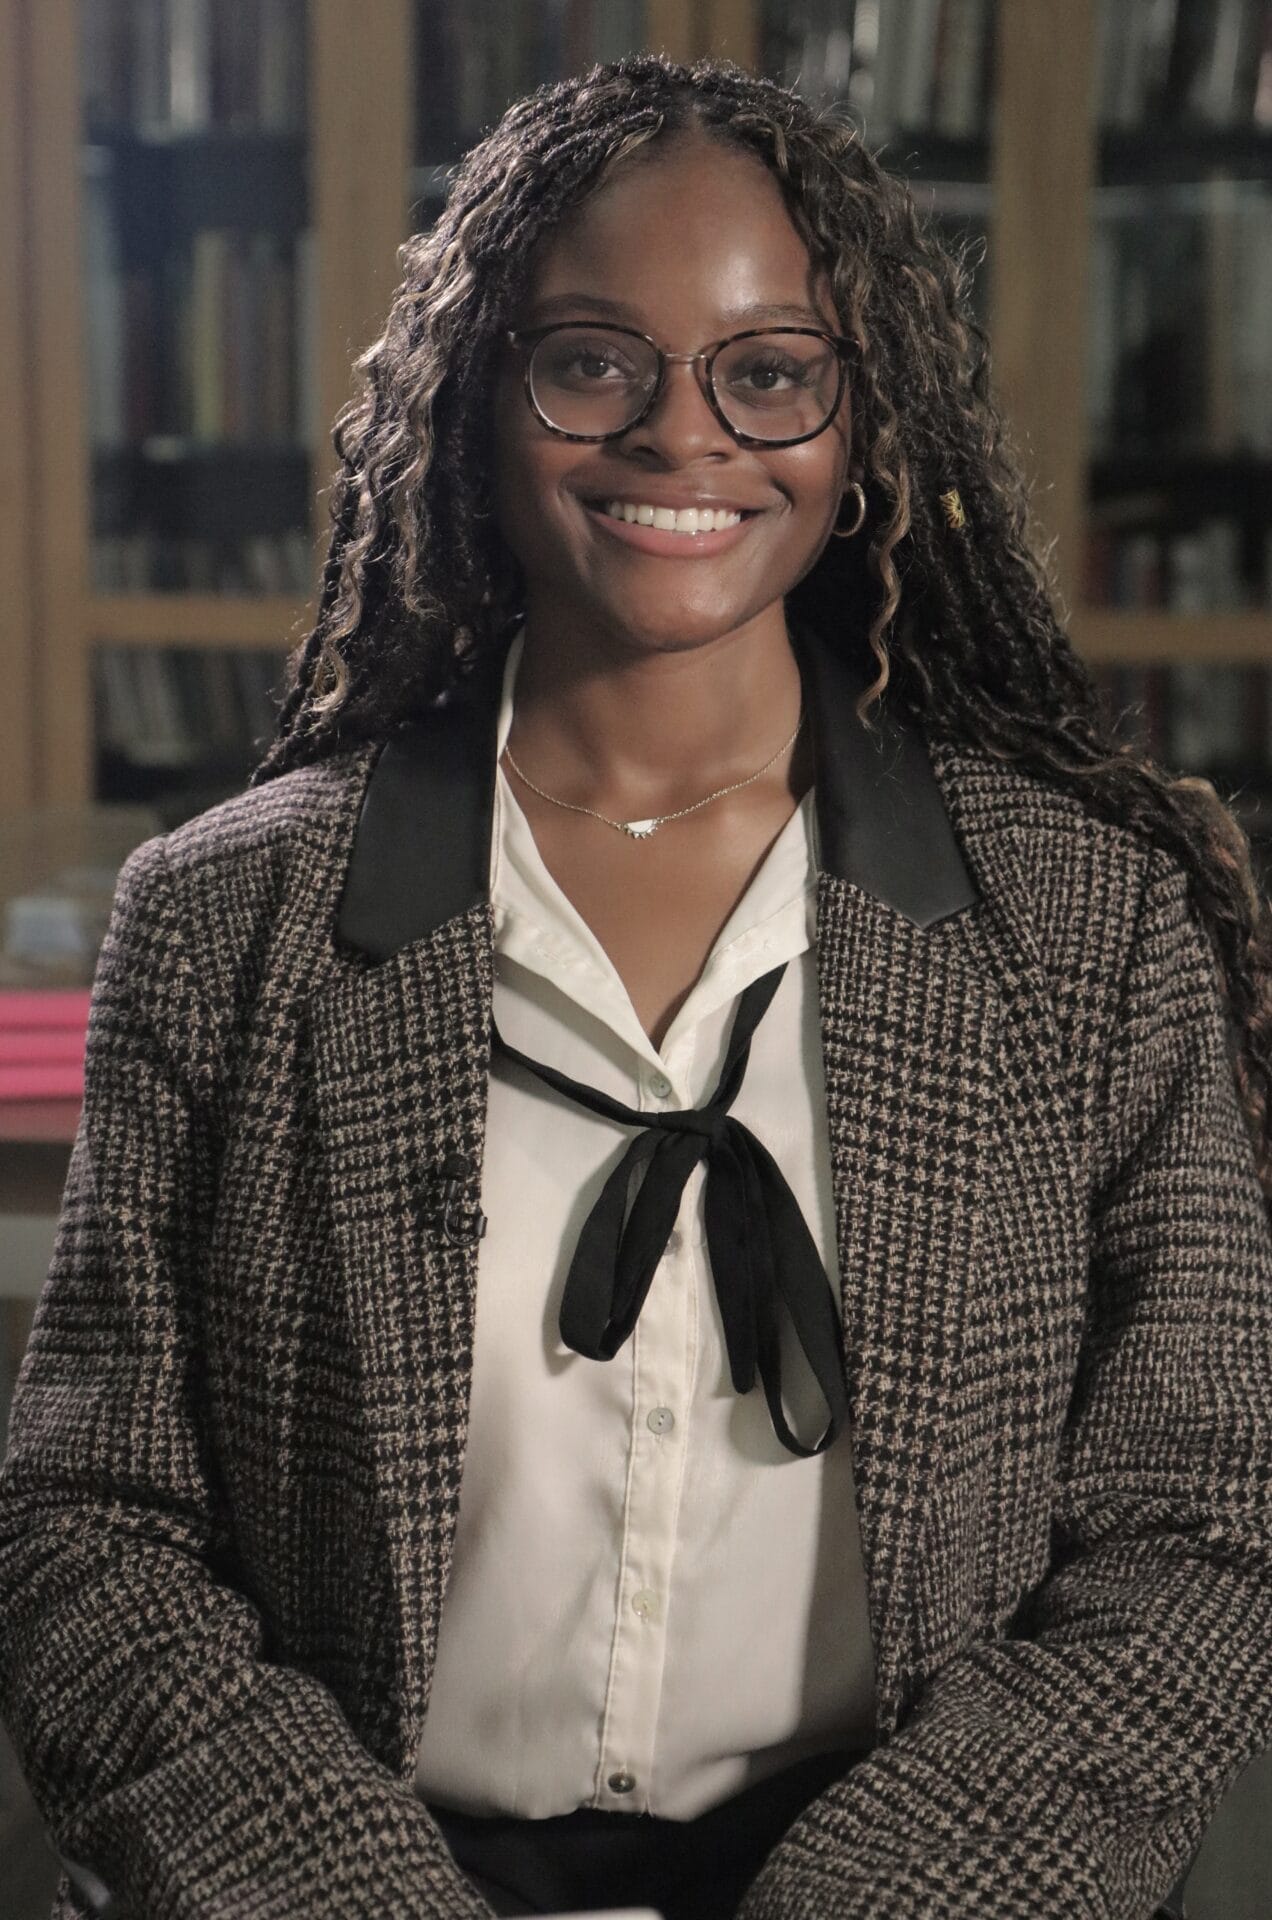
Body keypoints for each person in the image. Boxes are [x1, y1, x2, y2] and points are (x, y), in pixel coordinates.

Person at [2, 51, 1271, 1920]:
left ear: (860, 432)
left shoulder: (1084, 927)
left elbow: (1200, 1527)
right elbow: (85, 1523)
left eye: (769, 373)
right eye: (591, 360)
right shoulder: (227, 919)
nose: (685, 439)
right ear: (476, 405)